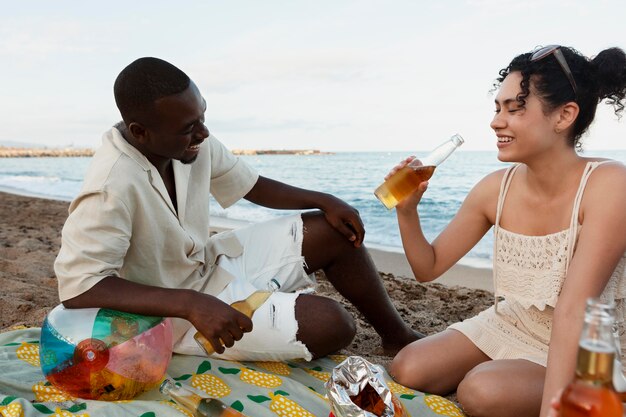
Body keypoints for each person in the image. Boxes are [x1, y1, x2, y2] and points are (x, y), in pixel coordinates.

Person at [54, 57, 421, 362]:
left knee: (333, 231)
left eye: (202, 117)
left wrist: (324, 200)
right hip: (168, 310)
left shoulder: (190, 141)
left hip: (209, 264)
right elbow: (79, 286)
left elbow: (251, 184)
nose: (203, 132)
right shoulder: (110, 184)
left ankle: (397, 335)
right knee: (333, 325)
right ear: (140, 132)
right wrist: (191, 304)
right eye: (189, 127)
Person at [388, 45, 626, 417]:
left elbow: (574, 310)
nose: (497, 121)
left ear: (564, 115)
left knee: (482, 390)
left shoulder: (609, 185)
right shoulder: (494, 188)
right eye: (497, 108)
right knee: (408, 366)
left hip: (588, 342)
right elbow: (427, 268)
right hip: (515, 323)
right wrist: (407, 212)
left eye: (515, 109)